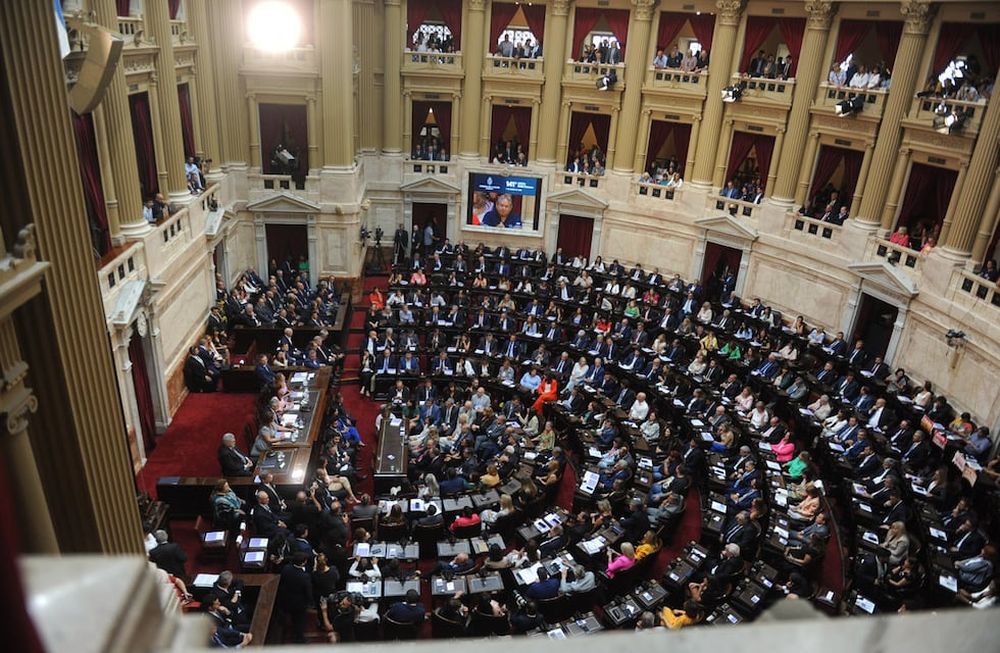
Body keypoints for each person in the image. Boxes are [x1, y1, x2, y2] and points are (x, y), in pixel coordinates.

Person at [277, 553, 313, 643]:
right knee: (299, 621)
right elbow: (308, 592)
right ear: (303, 563)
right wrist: (310, 602)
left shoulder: (286, 568)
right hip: (299, 603)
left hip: (286, 599)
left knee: (293, 617)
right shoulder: (304, 577)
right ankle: (300, 639)